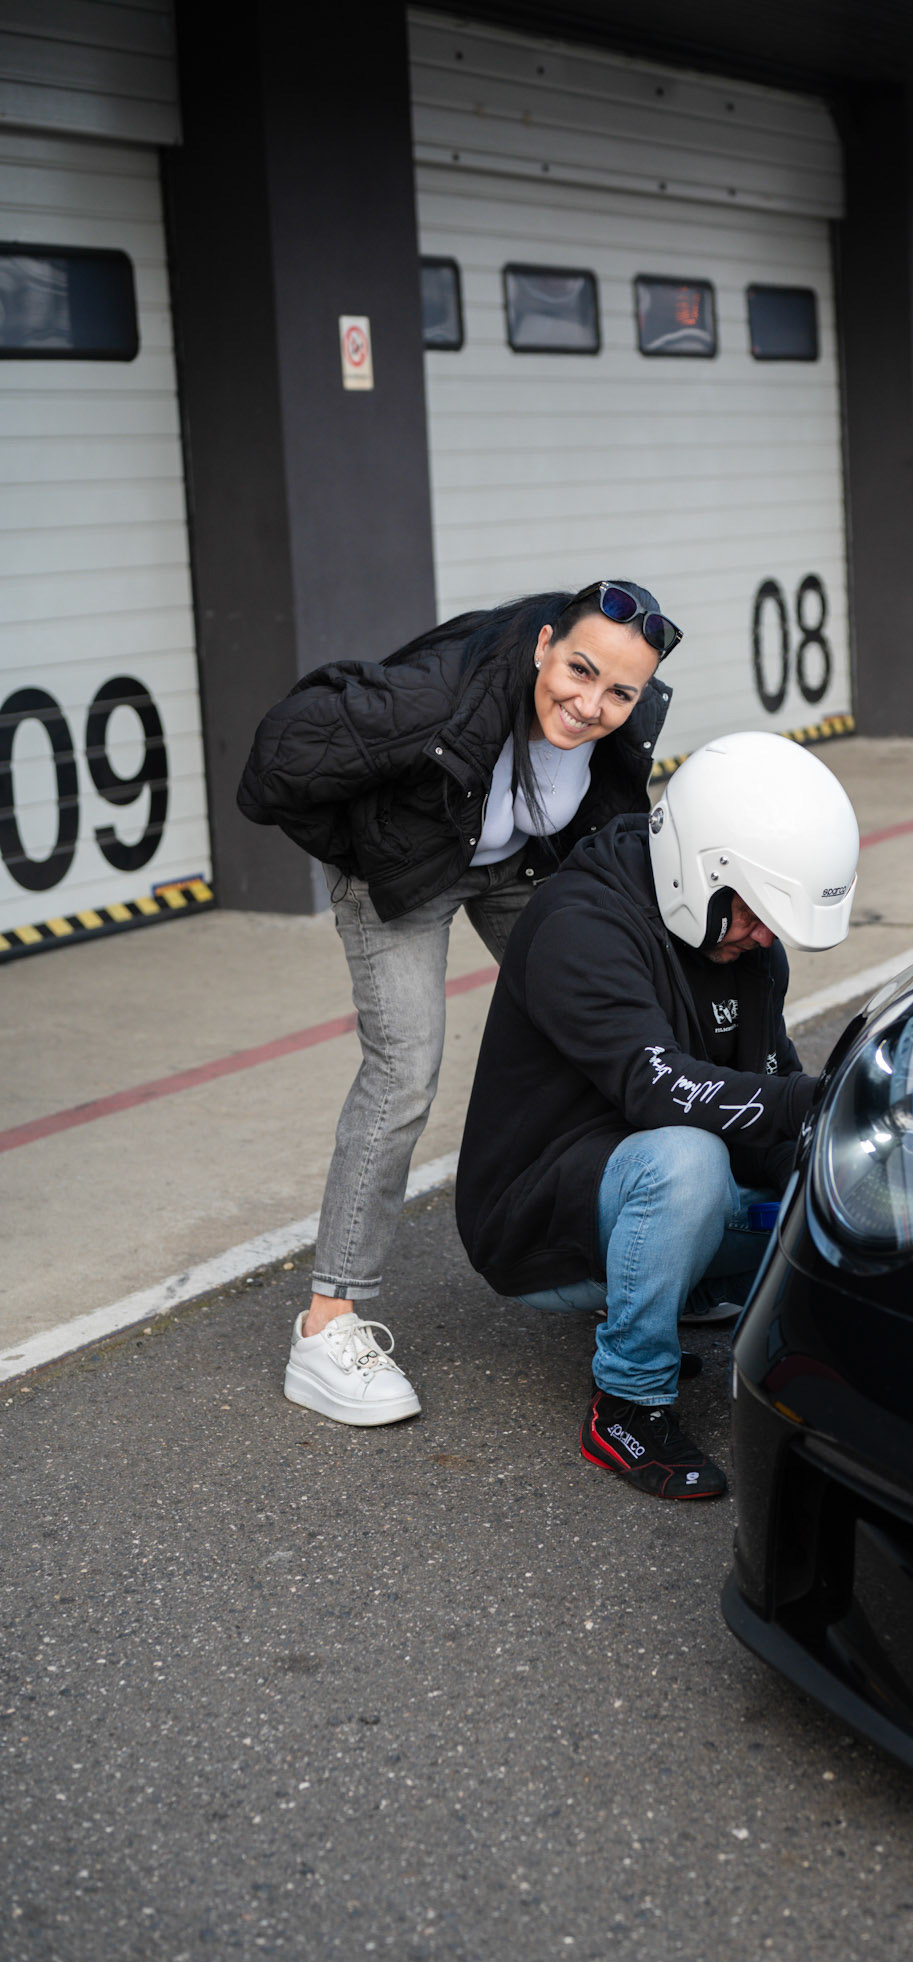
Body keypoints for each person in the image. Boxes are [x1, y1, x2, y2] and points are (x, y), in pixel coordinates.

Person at [237, 580, 681, 1426]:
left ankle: (624, 1255)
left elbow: (609, 821)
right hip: (408, 870)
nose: (591, 706)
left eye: (620, 693)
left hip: (511, 860)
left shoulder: (618, 719)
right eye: (579, 671)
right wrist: (362, 849)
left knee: (603, 1026)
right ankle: (326, 1325)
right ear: (545, 644)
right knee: (405, 1070)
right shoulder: (436, 696)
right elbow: (278, 760)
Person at [455, 730, 859, 1500]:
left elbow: (767, 1098)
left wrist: (834, 1156)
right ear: (702, 871)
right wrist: (812, 1101)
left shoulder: (748, 950)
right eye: (757, 912)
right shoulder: (580, 926)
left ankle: (739, 1323)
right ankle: (628, 1403)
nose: (767, 935)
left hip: (650, 1198)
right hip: (540, 1225)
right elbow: (657, 1089)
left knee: (849, 1201)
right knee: (688, 1163)